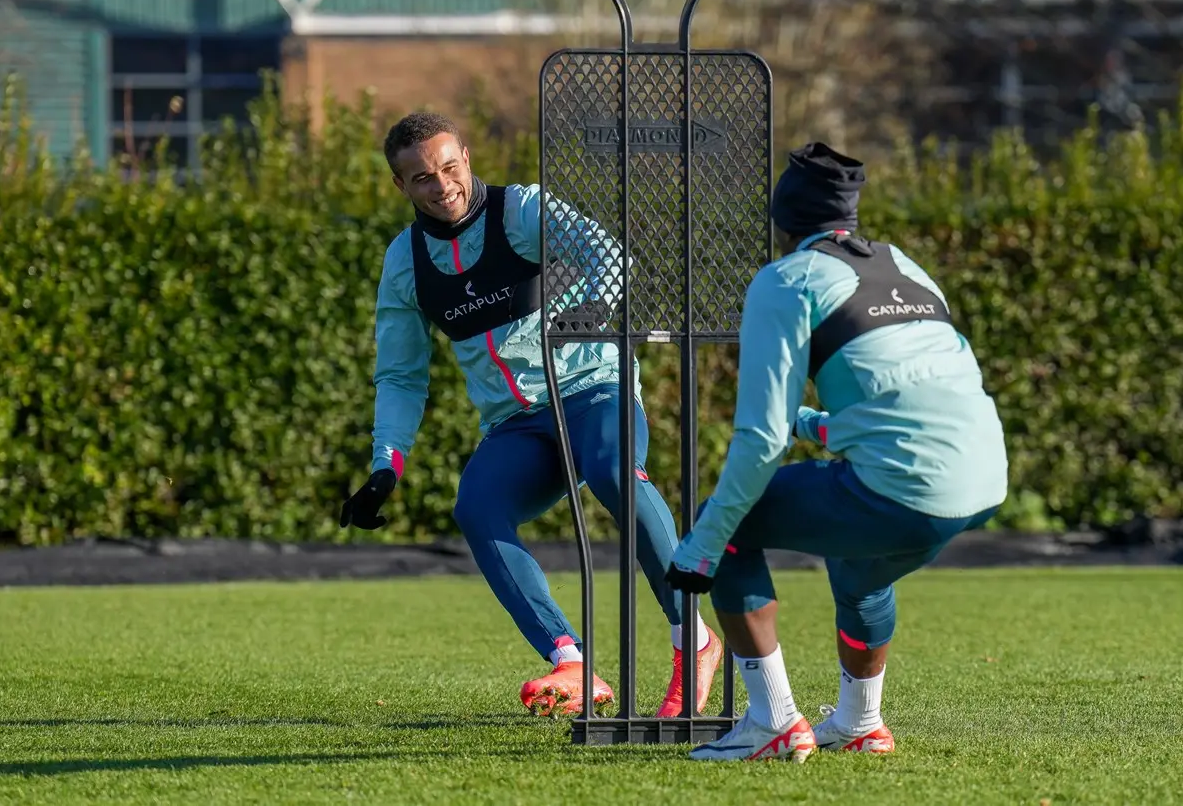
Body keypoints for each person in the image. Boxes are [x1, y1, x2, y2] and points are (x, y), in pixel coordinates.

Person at [341, 111, 722, 718]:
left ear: (466, 155)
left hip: (594, 387)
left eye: (447, 167)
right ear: (400, 186)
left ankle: (693, 641)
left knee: (615, 474)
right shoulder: (405, 261)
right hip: (516, 423)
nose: (441, 187)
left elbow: (612, 260)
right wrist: (386, 464)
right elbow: (400, 376)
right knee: (476, 508)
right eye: (420, 179)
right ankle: (570, 661)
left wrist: (580, 314)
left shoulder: (522, 210)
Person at [664, 141, 1009, 762]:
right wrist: (821, 428)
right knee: (861, 569)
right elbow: (913, 397)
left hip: (904, 486)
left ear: (781, 219)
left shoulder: (786, 278)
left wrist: (704, 541)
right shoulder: (904, 265)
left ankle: (772, 722)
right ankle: (859, 724)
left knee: (731, 524)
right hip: (981, 481)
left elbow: (760, 439)